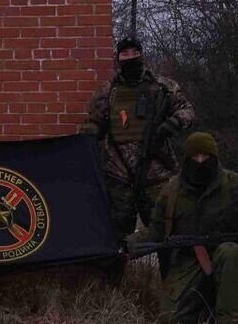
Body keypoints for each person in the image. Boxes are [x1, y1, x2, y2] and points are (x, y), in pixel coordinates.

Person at [125, 132, 238, 323]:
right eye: (194, 157)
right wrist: (127, 245)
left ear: (215, 158)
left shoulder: (235, 185)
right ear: (186, 160)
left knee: (232, 253)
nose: (200, 162)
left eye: (205, 157)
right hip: (187, 266)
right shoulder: (171, 192)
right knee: (169, 319)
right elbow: (156, 231)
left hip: (228, 264)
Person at [80, 38, 196, 241]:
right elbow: (93, 122)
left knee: (165, 230)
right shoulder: (108, 91)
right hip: (118, 174)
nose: (130, 57)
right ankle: (119, 272)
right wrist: (87, 138)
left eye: (135, 52)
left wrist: (171, 124)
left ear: (142, 55)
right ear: (118, 58)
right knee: (116, 234)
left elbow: (187, 111)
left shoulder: (163, 87)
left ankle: (172, 273)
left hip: (156, 173)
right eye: (125, 54)